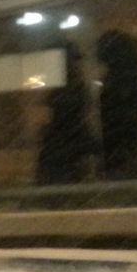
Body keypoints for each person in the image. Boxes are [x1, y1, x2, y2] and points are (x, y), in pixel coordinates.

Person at [36, 42, 97, 185]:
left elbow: (68, 119)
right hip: (67, 148)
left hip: (64, 149)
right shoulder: (74, 87)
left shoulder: (69, 89)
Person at [95, 29, 137, 179]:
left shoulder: (120, 79)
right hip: (123, 145)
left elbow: (117, 118)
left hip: (119, 145)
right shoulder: (130, 77)